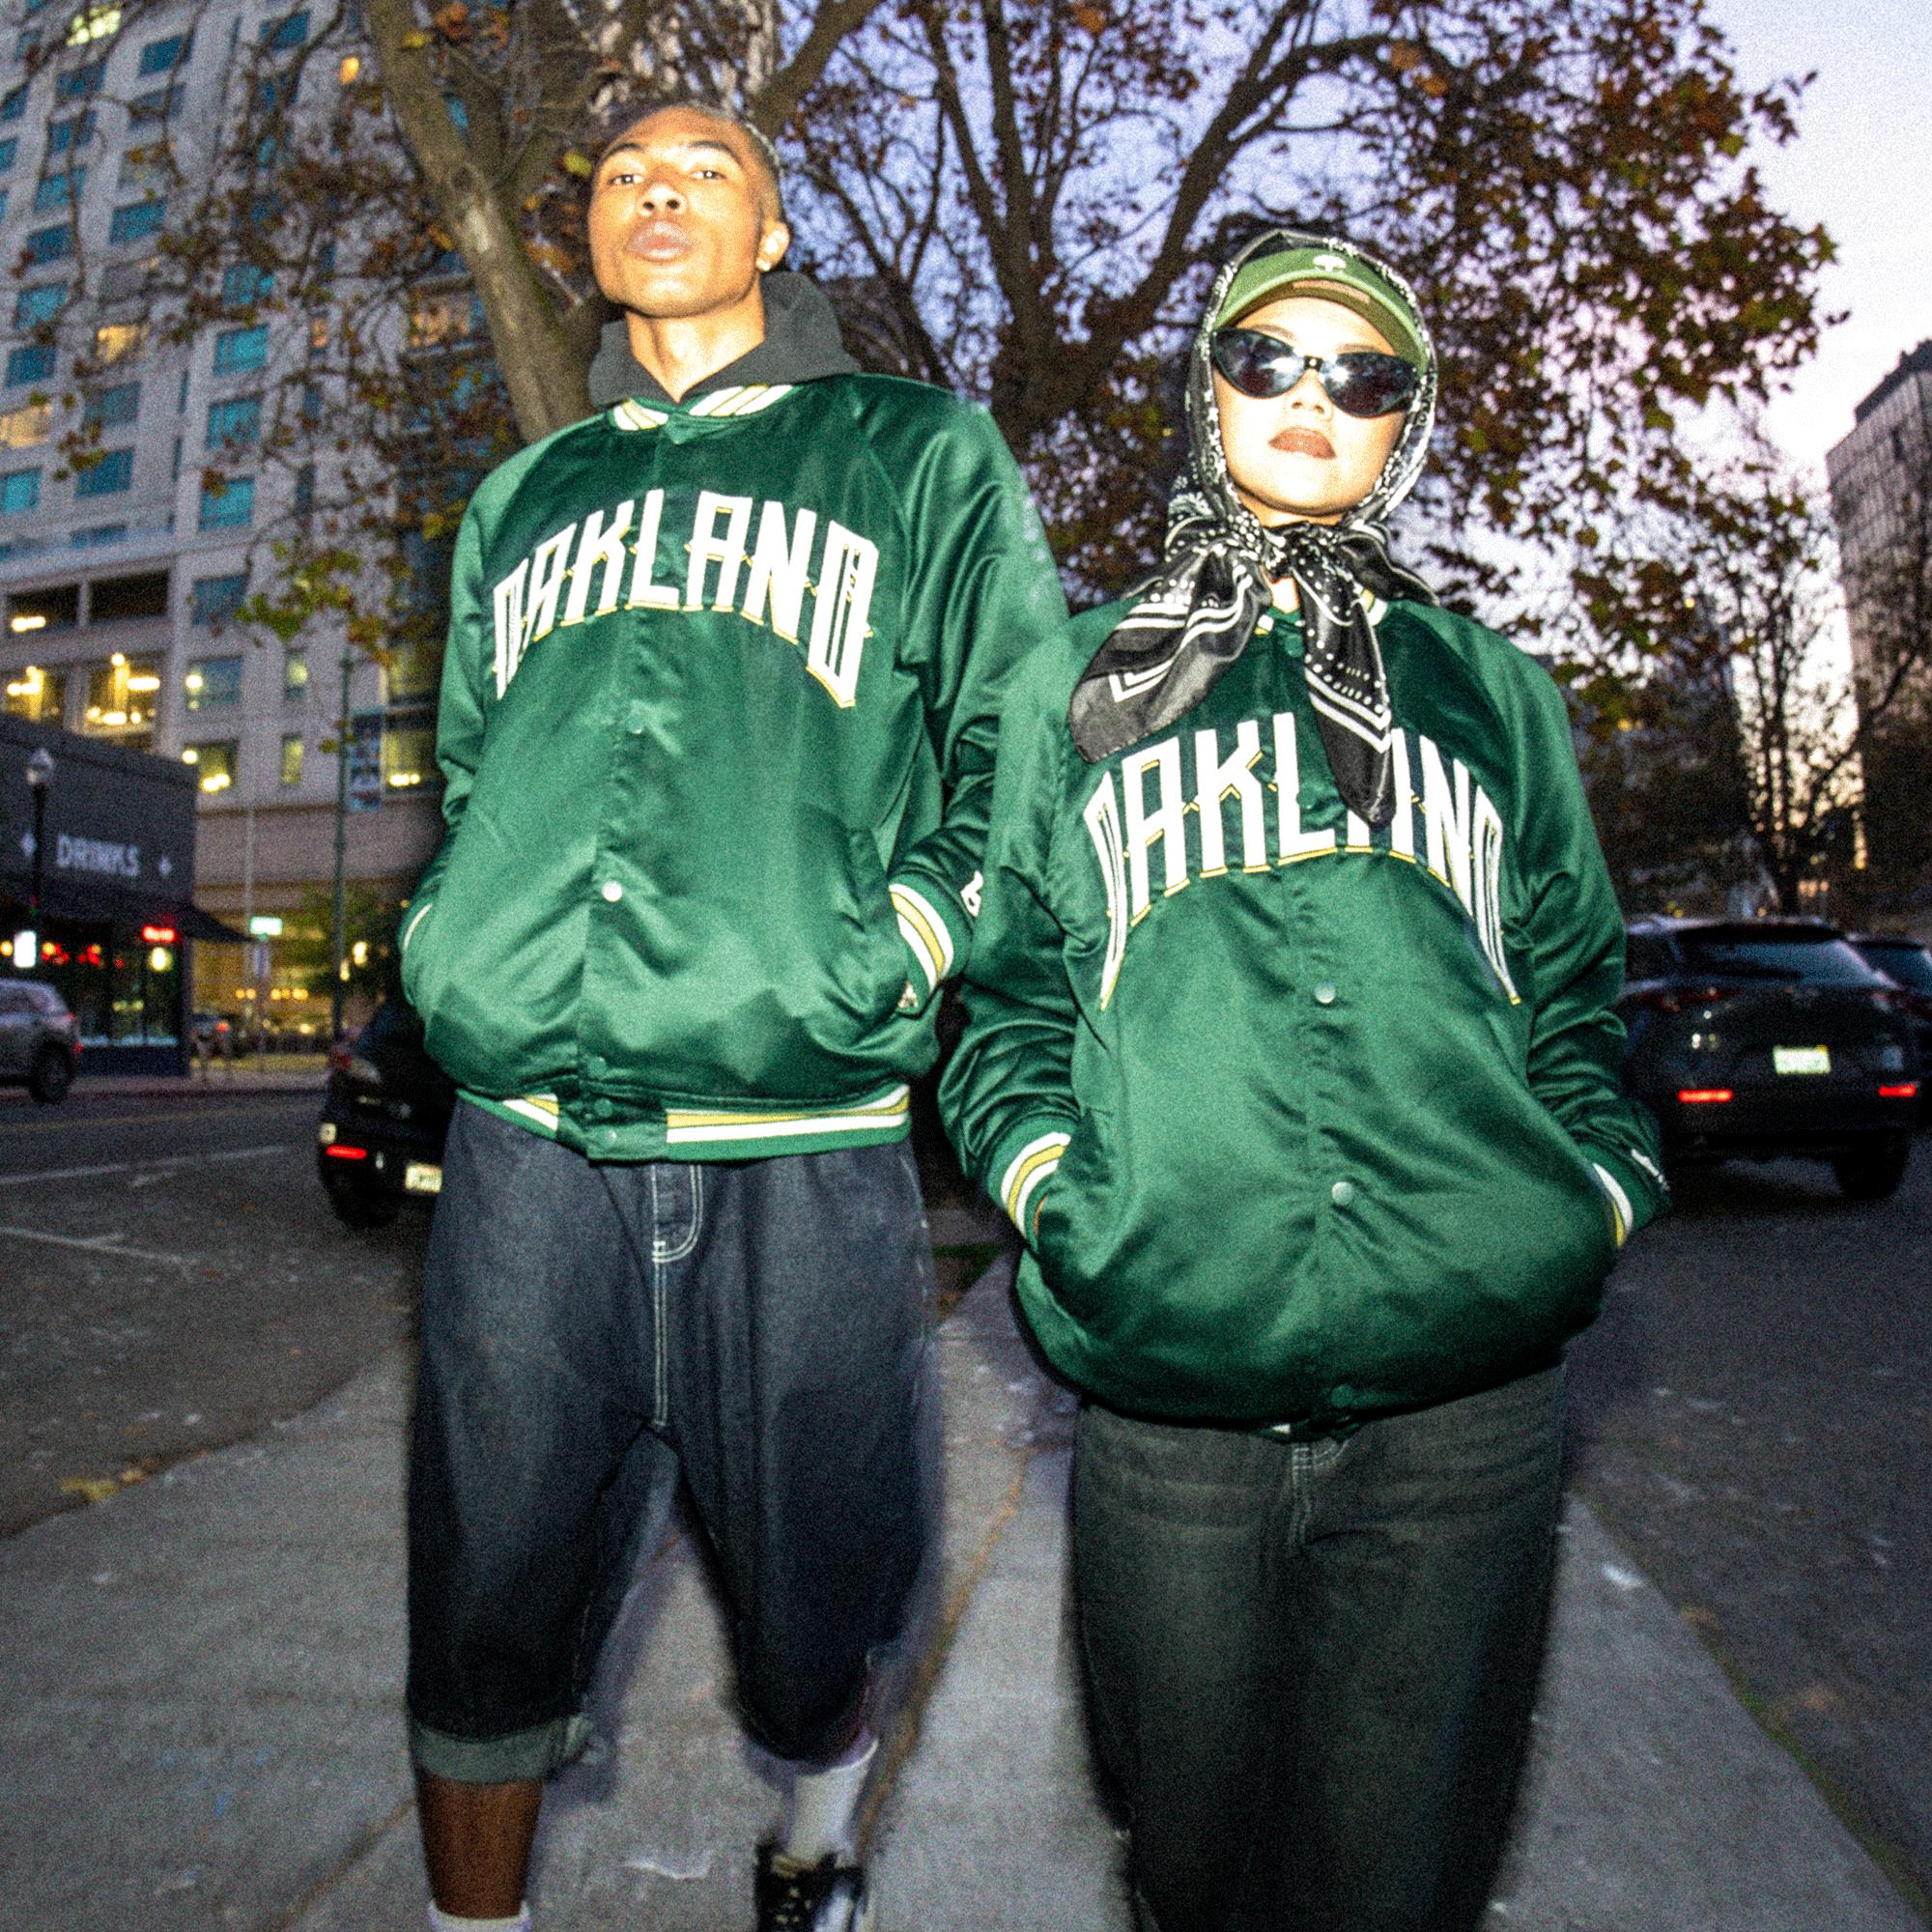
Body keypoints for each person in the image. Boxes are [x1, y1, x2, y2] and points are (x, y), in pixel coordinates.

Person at [939, 229, 1669, 1932]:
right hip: (1172, 1393)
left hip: (1466, 1414)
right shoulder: (1071, 686)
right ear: (1206, 391)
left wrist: (1587, 1200)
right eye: (1265, 357)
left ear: (1404, 424)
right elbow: (1005, 1002)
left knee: (1403, 1880)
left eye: (1364, 375)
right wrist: (1063, 1199)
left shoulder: (1492, 694)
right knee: (1189, 1864)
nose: (1309, 397)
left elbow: (1578, 992)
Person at [398, 97, 1066, 1932]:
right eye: (623, 174)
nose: (656, 190)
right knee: (480, 1601)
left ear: (772, 233)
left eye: (706, 169)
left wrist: (904, 937)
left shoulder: (915, 453)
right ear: (590, 241)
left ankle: (817, 1842)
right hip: (528, 1147)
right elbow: (473, 766)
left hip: (800, 1135)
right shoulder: (526, 498)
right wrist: (455, 930)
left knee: (817, 1595)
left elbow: (1021, 742)